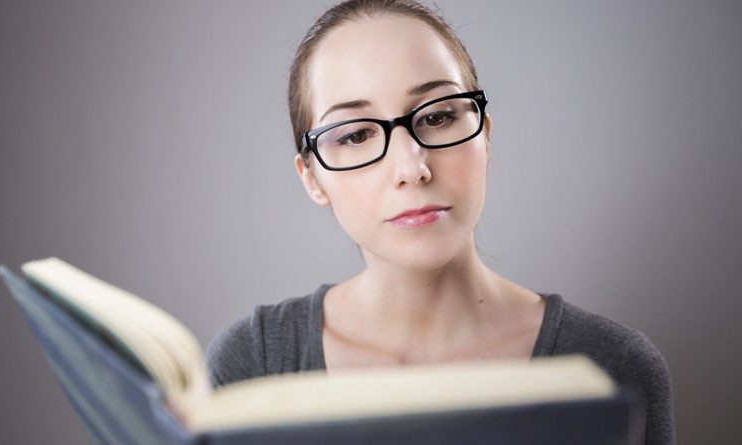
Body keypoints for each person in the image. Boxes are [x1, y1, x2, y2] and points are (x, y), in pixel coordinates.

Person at [206, 1, 674, 443]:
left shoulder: (614, 368)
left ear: (484, 135)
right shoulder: (255, 362)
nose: (412, 168)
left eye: (438, 116)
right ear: (312, 178)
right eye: (356, 135)